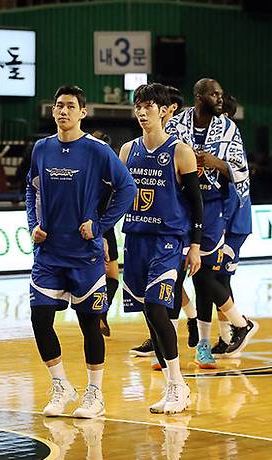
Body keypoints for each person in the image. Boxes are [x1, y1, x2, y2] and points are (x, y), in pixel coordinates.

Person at [27, 85, 135, 419]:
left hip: (85, 257)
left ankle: (95, 394)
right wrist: (33, 223)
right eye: (58, 106)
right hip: (48, 254)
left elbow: (127, 188)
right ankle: (62, 387)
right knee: (40, 320)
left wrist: (101, 226)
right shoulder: (41, 149)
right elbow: (31, 191)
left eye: (70, 106)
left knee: (90, 325)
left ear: (82, 112)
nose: (63, 111)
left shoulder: (97, 150)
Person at [119, 83, 202, 414]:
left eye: (149, 105)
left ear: (164, 111)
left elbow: (197, 204)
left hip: (169, 240)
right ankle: (175, 384)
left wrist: (194, 246)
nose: (142, 111)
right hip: (136, 238)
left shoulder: (180, 151)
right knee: (148, 314)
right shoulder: (127, 150)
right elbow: (114, 195)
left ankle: (177, 384)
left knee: (157, 308)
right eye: (138, 105)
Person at [165, 78, 257, 368]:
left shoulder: (229, 128)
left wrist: (215, 162)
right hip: (182, 206)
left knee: (206, 274)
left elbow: (241, 172)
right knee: (179, 273)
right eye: (214, 93)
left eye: (220, 93)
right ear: (199, 96)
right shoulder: (177, 124)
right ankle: (178, 336)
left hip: (217, 209)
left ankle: (212, 337)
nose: (220, 97)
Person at [212, 93, 253, 358]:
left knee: (216, 278)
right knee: (217, 278)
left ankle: (241, 326)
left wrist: (223, 226)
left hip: (232, 223)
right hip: (226, 222)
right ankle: (226, 335)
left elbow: (234, 186)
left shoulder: (227, 144)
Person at [90, 130, 117, 337]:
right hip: (96, 225)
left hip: (104, 225)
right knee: (105, 272)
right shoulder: (92, 171)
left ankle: (101, 312)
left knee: (111, 273)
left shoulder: (105, 169)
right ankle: (97, 312)